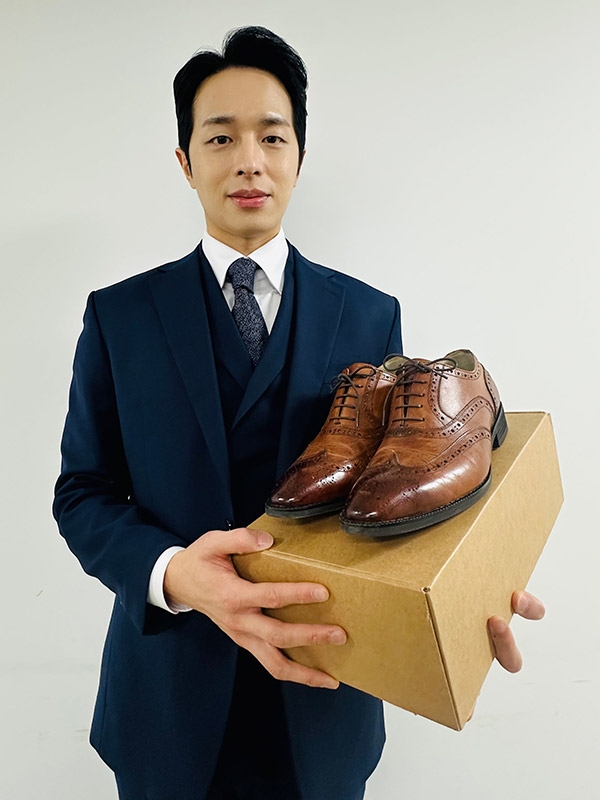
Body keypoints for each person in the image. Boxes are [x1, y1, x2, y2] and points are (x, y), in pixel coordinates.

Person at [53, 26, 545, 800]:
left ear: (300, 157)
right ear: (185, 161)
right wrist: (175, 574)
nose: (249, 159)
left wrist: (471, 585)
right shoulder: (119, 317)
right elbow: (82, 492)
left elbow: (402, 482)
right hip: (167, 701)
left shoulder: (371, 314)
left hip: (327, 694)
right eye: (221, 137)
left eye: (272, 136)